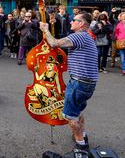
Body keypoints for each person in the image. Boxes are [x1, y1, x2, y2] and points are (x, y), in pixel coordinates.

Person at [40, 11, 98, 151]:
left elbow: (54, 43)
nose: (71, 21)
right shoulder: (86, 37)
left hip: (79, 82)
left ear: (81, 24)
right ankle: (82, 136)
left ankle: (81, 146)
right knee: (77, 111)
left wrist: (46, 30)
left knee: (70, 115)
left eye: (74, 20)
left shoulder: (79, 36)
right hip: (87, 82)